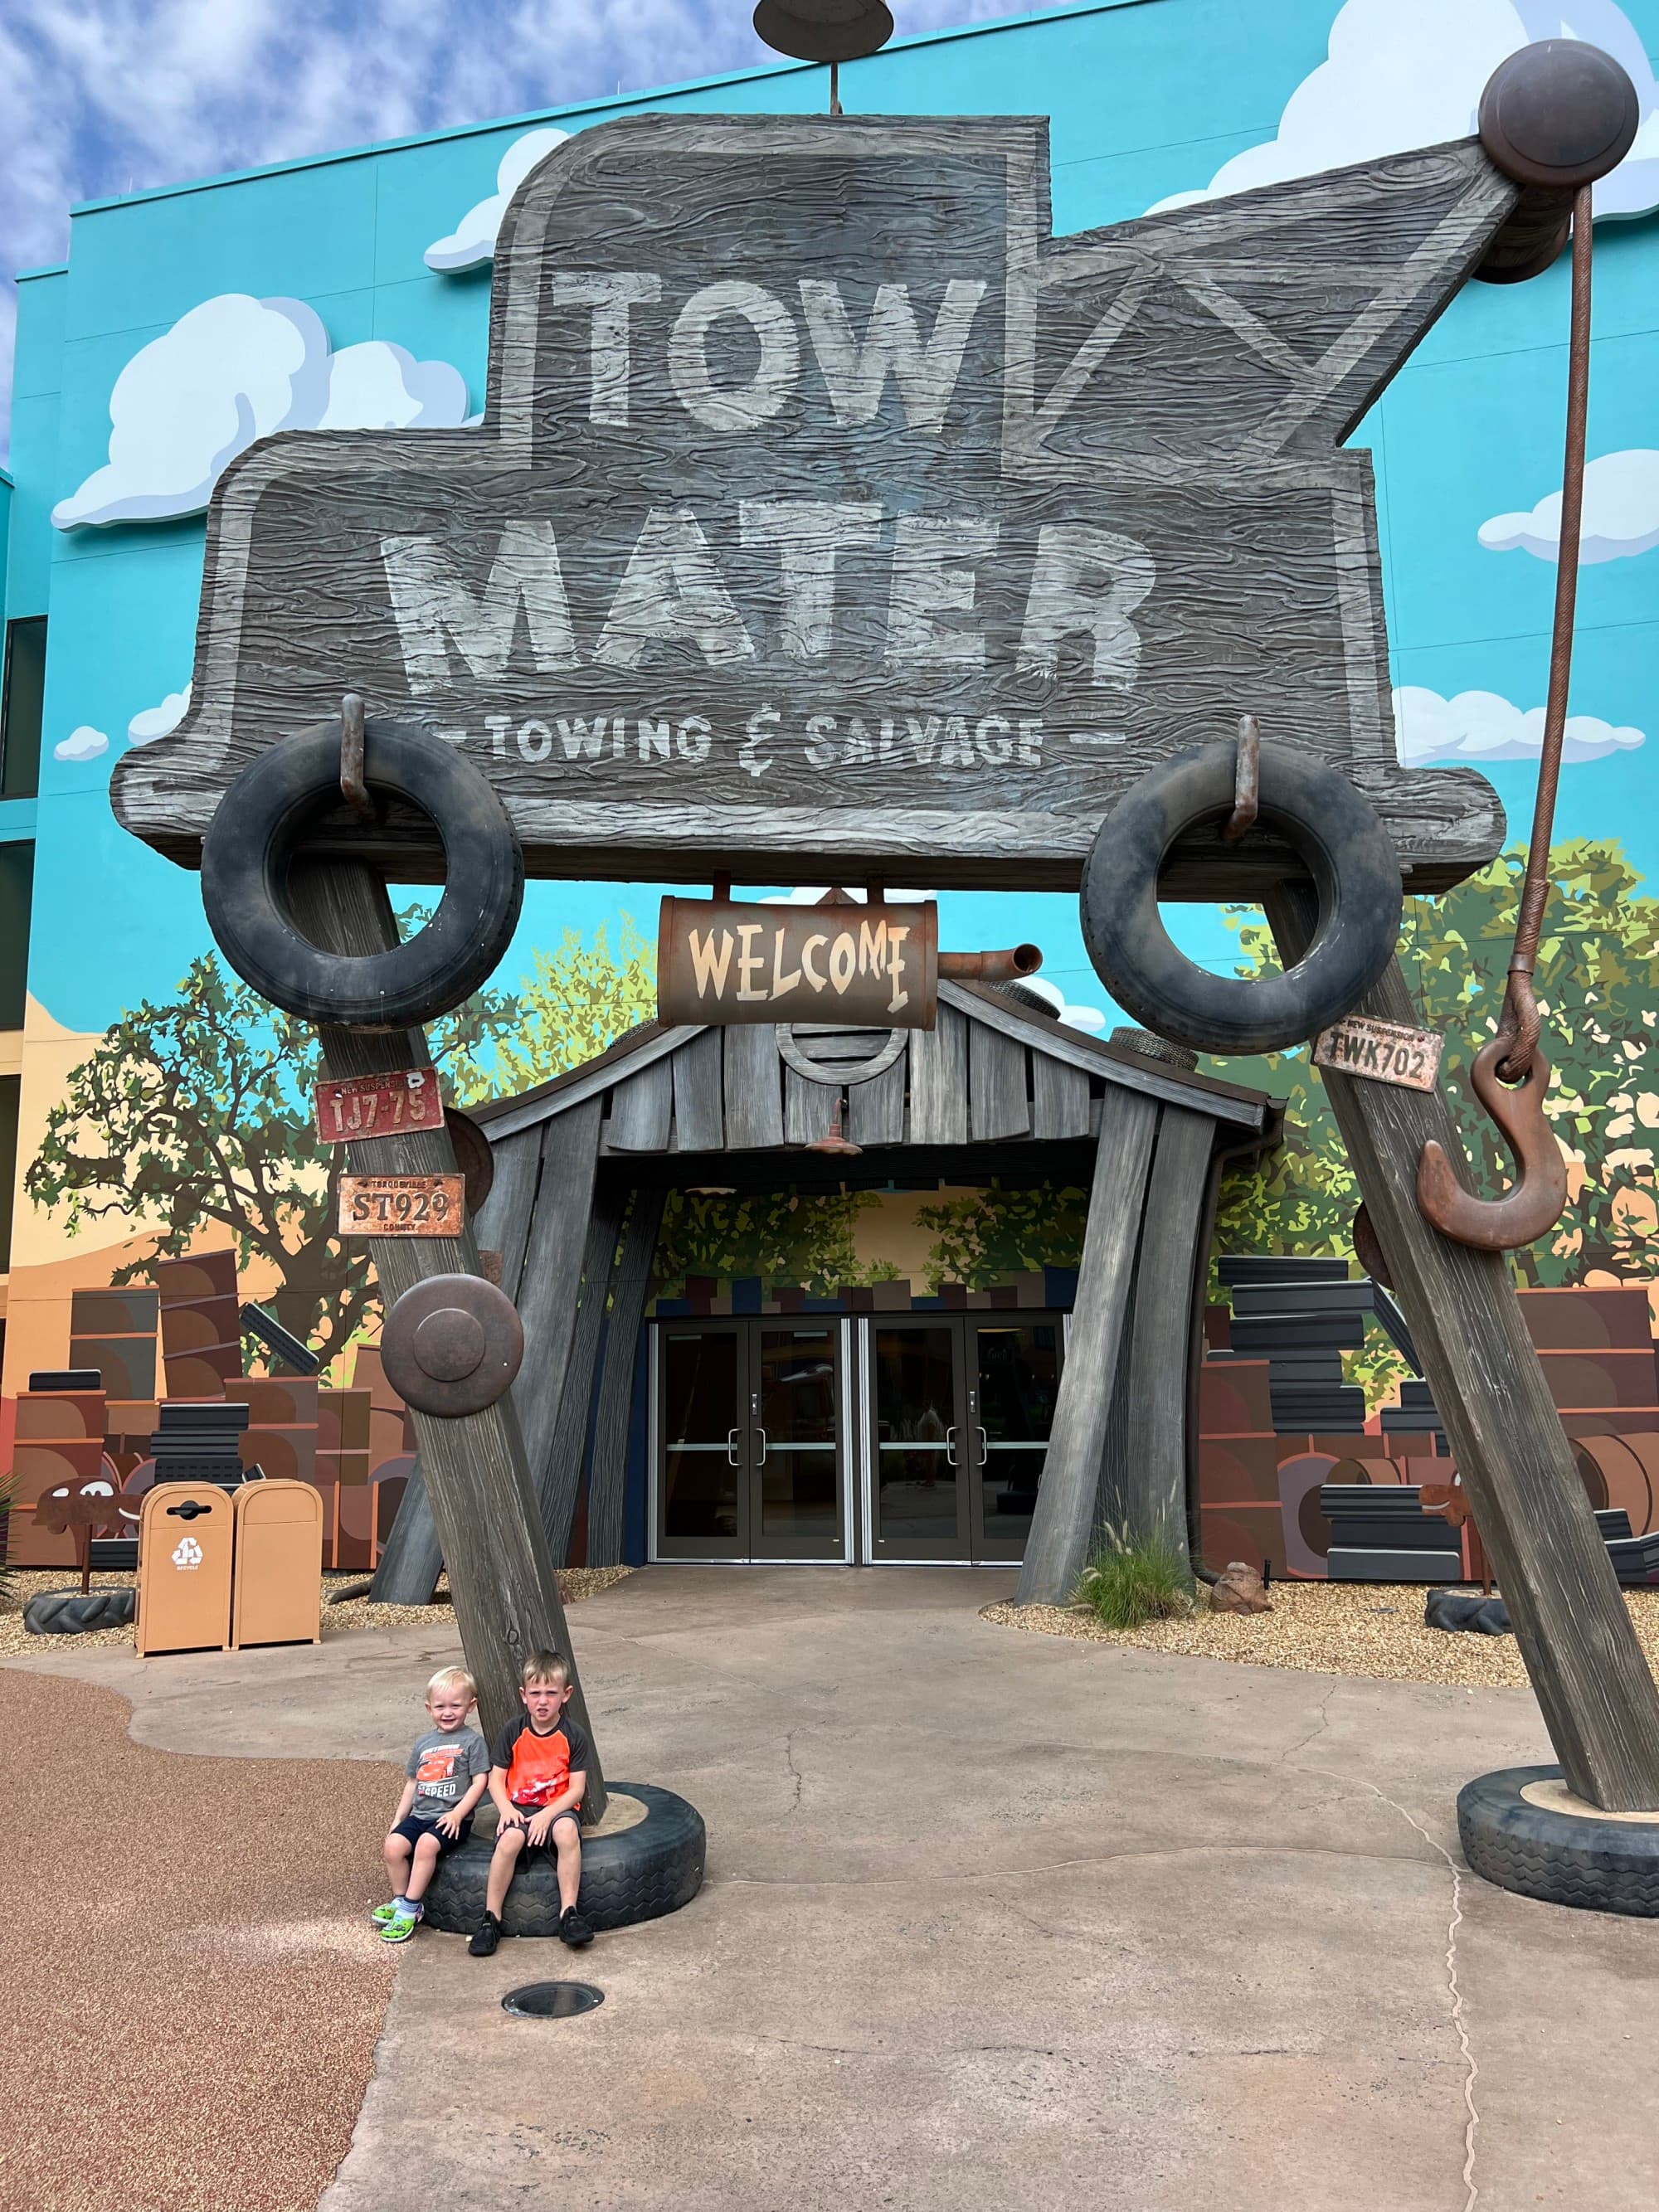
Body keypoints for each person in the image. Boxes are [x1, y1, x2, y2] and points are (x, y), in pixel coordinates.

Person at [469, 1649, 595, 1957]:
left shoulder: (573, 1735)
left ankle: (569, 1914)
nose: (542, 1701)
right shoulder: (514, 1730)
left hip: (558, 1808)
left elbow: (577, 1789)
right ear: (523, 1695)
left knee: (566, 1833)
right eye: (536, 1693)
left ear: (566, 1695)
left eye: (551, 1693)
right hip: (519, 1808)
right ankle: (491, 1918)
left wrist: (548, 1814)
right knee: (510, 1839)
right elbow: (496, 1779)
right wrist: (507, 1810)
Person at [377, 1665, 490, 1944]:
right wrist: (398, 1819)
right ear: (429, 1708)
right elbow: (412, 1784)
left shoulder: (472, 1742)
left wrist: (458, 1814)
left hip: (452, 1819)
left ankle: (411, 1908)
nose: (447, 1712)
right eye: (440, 1706)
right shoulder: (423, 1743)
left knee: (427, 1845)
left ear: (471, 1706)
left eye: (455, 1705)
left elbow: (480, 1783)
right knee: (393, 1846)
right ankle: (400, 1899)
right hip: (420, 1815)